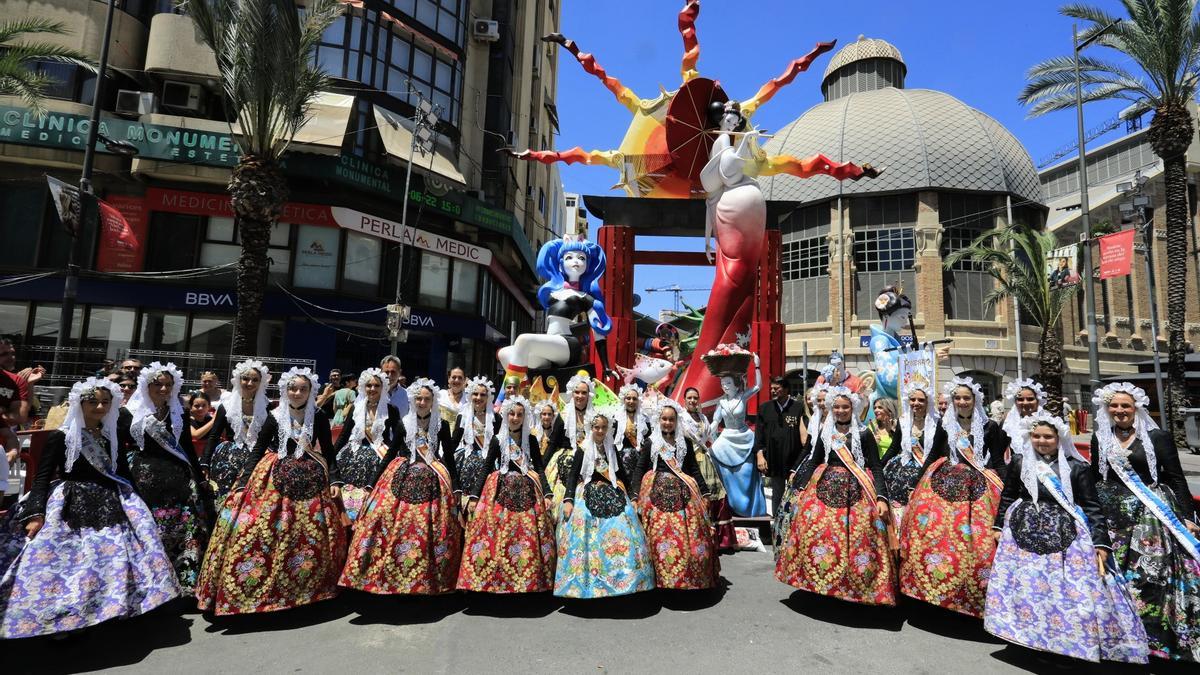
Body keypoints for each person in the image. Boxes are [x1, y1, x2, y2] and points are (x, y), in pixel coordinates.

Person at [0, 378, 179, 639]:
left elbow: (122, 471)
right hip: (71, 502)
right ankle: (65, 619)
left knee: (112, 560)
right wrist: (36, 512)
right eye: (92, 401)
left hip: (110, 500)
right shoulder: (61, 436)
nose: (99, 406)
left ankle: (112, 608)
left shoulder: (110, 435)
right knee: (71, 563)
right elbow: (42, 477)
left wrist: (139, 503)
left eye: (105, 402)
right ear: (79, 403)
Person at [984, 412, 1148, 665]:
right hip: (1023, 534)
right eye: (1036, 436)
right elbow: (1008, 495)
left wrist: (1100, 542)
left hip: (1067, 538)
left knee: (1068, 592)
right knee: (1027, 588)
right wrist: (997, 525)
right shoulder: (1019, 462)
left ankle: (1066, 643)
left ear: (1059, 438)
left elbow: (1092, 507)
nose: (1042, 441)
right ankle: (1029, 638)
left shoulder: (1077, 467)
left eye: (1047, 437)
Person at [196, 368, 347, 615]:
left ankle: (308, 589)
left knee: (309, 535)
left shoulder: (318, 417)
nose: (297, 393)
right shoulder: (274, 416)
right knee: (265, 530)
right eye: (293, 388)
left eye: (303, 389)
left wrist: (335, 480)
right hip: (275, 479)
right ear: (285, 390)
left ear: (311, 392)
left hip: (312, 484)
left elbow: (328, 451)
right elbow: (258, 451)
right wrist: (244, 482)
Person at [1090, 382, 1200, 662]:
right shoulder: (1100, 437)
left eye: (1125, 405)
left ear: (1137, 407)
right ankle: (1117, 639)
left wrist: (1187, 517)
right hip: (1112, 517)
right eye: (1114, 405)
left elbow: (1176, 477)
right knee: (1113, 578)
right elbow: (1094, 477)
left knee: (1151, 578)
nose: (1119, 410)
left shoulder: (1157, 437)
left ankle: (1154, 642)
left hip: (1150, 517)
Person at [339, 378, 462, 595]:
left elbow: (450, 458)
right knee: (380, 516)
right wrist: (372, 483)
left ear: (433, 401)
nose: (422, 402)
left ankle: (429, 579)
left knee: (433, 526)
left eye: (426, 399)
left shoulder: (441, 425)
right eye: (419, 399)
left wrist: (457, 488)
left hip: (433, 478)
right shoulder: (404, 423)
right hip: (402, 476)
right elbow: (389, 455)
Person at [898, 376, 1006, 618]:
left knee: (977, 543)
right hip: (942, 484)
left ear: (975, 399)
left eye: (966, 398)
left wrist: (1009, 489)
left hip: (979, 487)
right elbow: (933, 454)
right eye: (957, 398)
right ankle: (933, 590)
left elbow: (998, 461)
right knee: (934, 536)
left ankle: (971, 594)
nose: (961, 401)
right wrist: (915, 484)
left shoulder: (990, 427)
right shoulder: (945, 425)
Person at [775, 387, 894, 605]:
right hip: (825, 489)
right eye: (837, 407)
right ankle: (820, 583)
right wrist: (801, 489)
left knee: (858, 541)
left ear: (853, 408)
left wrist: (881, 498)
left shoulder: (865, 434)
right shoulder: (825, 432)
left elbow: (876, 467)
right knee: (820, 536)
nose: (840, 411)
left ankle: (853, 587)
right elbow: (814, 461)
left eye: (845, 407)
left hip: (858, 492)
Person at [119, 362, 213, 596]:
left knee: (186, 528)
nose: (163, 389)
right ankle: (154, 584)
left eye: (168, 385)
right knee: (151, 529)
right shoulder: (129, 413)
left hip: (177, 477)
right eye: (157, 384)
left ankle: (185, 583)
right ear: (146, 385)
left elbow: (187, 447)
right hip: (144, 477)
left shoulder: (178, 412)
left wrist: (200, 477)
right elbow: (118, 451)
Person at [458, 395, 556, 593]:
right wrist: (475, 497)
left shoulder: (531, 440)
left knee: (526, 536)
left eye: (520, 414)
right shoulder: (497, 440)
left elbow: (539, 467)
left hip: (528, 492)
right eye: (512, 414)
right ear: (505, 415)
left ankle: (528, 581)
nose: (515, 418)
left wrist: (547, 493)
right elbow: (486, 469)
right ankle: (496, 581)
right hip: (499, 491)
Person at [555, 406, 655, 599]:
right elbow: (573, 475)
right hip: (587, 493)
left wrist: (633, 497)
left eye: (603, 427)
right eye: (596, 427)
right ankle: (587, 582)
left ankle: (624, 579)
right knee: (584, 528)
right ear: (590, 428)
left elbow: (622, 475)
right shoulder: (583, 449)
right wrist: (568, 500)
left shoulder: (611, 449)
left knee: (624, 523)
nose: (600, 431)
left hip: (612, 491)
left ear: (608, 428)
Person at [499, 236, 618, 385]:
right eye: (569, 257)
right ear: (561, 264)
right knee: (504, 354)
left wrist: (606, 366)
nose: (576, 261)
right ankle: (524, 394)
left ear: (587, 265)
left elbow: (598, 334)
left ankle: (504, 399)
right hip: (551, 346)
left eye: (581, 258)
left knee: (523, 340)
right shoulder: (552, 292)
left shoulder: (586, 298)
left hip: (567, 346)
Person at [635, 399, 717, 590]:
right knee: (658, 538)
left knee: (688, 537)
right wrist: (634, 496)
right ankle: (658, 581)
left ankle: (687, 578)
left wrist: (704, 493)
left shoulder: (685, 442)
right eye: (664, 419)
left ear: (676, 421)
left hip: (683, 494)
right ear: (659, 420)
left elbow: (694, 470)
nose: (667, 423)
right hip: (655, 495)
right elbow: (639, 469)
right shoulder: (651, 443)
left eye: (671, 419)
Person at [333, 368, 400, 522]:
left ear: (383, 387)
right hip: (352, 456)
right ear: (364, 387)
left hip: (379, 456)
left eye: (376, 386)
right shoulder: (356, 408)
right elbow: (343, 435)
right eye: (369, 385)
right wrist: (329, 456)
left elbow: (398, 437)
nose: (372, 389)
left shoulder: (391, 409)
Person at [201, 360, 271, 500]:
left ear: (260, 382)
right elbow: (214, 436)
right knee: (225, 498)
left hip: (258, 458)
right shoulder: (226, 406)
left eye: (255, 380)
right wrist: (205, 462)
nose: (250, 383)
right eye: (245, 379)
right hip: (229, 458)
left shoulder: (267, 406)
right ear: (239, 380)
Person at [707, 351, 766, 517]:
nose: (725, 386)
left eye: (728, 383)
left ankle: (747, 505)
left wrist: (757, 365)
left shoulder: (743, 396)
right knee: (713, 454)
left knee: (747, 471)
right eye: (722, 383)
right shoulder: (722, 402)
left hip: (744, 437)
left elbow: (758, 386)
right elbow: (715, 421)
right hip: (727, 437)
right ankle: (726, 502)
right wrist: (707, 435)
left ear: (735, 384)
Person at [684, 386, 735, 552]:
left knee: (716, 494)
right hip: (689, 460)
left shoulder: (703, 417)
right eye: (690, 398)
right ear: (684, 400)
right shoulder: (681, 418)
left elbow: (707, 438)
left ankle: (719, 538)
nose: (692, 401)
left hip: (704, 459)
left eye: (695, 398)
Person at [883, 383, 937, 530]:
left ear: (928, 402)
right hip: (901, 470)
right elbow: (894, 447)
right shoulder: (904, 421)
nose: (916, 403)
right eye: (912, 399)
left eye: (921, 400)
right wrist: (879, 465)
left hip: (928, 472)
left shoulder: (937, 422)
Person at [755, 376, 807, 517]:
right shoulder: (765, 409)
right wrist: (760, 455)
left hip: (794, 460)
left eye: (776, 388)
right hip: (774, 459)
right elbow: (759, 436)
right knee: (777, 491)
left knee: (795, 492)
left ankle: (794, 520)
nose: (773, 391)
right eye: (771, 388)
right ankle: (776, 521)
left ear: (786, 389)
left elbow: (805, 436)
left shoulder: (798, 408)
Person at [545, 374, 591, 513]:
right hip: (564, 460)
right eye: (577, 392)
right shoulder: (562, 416)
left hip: (588, 457)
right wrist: (540, 467)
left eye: (584, 392)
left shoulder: (594, 416)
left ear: (589, 395)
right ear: (572, 393)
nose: (580, 396)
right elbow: (552, 444)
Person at [453, 377, 501, 502]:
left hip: (489, 465)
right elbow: (454, 442)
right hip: (466, 464)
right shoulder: (463, 417)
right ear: (470, 395)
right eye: (475, 394)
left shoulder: (496, 418)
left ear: (488, 397)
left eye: (482, 395)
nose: (478, 398)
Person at [1000, 378, 1046, 469]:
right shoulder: (1008, 423)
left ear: (1038, 400)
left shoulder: (1048, 422)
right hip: (1017, 475)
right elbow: (998, 454)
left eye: (1030, 399)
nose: (1025, 402)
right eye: (1020, 399)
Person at [614, 383, 648, 486]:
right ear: (623, 399)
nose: (631, 401)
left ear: (638, 401)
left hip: (640, 461)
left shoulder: (645, 419)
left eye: (634, 399)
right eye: (628, 398)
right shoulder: (615, 418)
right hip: (620, 459)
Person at [867, 398, 899, 464]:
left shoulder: (898, 427)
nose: (876, 410)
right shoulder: (871, 426)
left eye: (880, 407)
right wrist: (872, 443)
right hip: (875, 465)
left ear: (889, 409)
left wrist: (892, 431)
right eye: (875, 408)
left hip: (893, 465)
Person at [186, 391, 215, 457]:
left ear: (209, 407)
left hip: (207, 458)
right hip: (191, 457)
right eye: (196, 406)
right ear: (190, 407)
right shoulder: (186, 420)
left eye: (204, 405)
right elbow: (196, 435)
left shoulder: (210, 420)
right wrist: (214, 421)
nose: (200, 408)